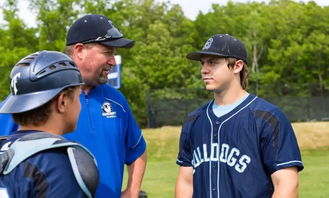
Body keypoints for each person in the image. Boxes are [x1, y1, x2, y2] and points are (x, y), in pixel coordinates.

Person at [175, 34, 304, 198]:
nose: (204, 70)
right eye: (203, 63)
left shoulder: (268, 118)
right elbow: (186, 182)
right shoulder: (194, 120)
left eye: (213, 62)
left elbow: (287, 184)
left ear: (237, 66)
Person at [0, 50, 99, 198]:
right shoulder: (57, 163)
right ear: (62, 101)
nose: (80, 106)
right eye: (77, 97)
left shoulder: (4, 149)